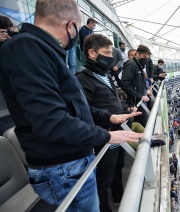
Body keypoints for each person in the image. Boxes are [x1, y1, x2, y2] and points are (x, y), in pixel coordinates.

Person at [0, 0, 143, 211]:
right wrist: (107, 136)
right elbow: (51, 121)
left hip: (71, 166)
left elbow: (74, 106)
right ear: (70, 26)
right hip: (64, 169)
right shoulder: (27, 48)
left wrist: (108, 118)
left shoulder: (41, 50)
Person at [76, 34, 142, 211]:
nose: (110, 56)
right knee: (104, 178)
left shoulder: (105, 75)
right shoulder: (82, 79)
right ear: (92, 53)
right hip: (105, 138)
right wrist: (109, 117)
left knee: (118, 167)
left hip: (118, 134)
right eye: (106, 52)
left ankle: (119, 196)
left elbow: (111, 101)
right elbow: (85, 110)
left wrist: (125, 109)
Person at [121, 45, 153, 127]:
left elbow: (139, 84)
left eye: (147, 58)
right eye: (143, 56)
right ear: (137, 53)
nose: (145, 59)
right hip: (133, 102)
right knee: (142, 125)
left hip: (138, 101)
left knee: (143, 124)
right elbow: (125, 84)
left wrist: (146, 91)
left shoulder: (139, 66)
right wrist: (140, 96)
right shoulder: (131, 65)